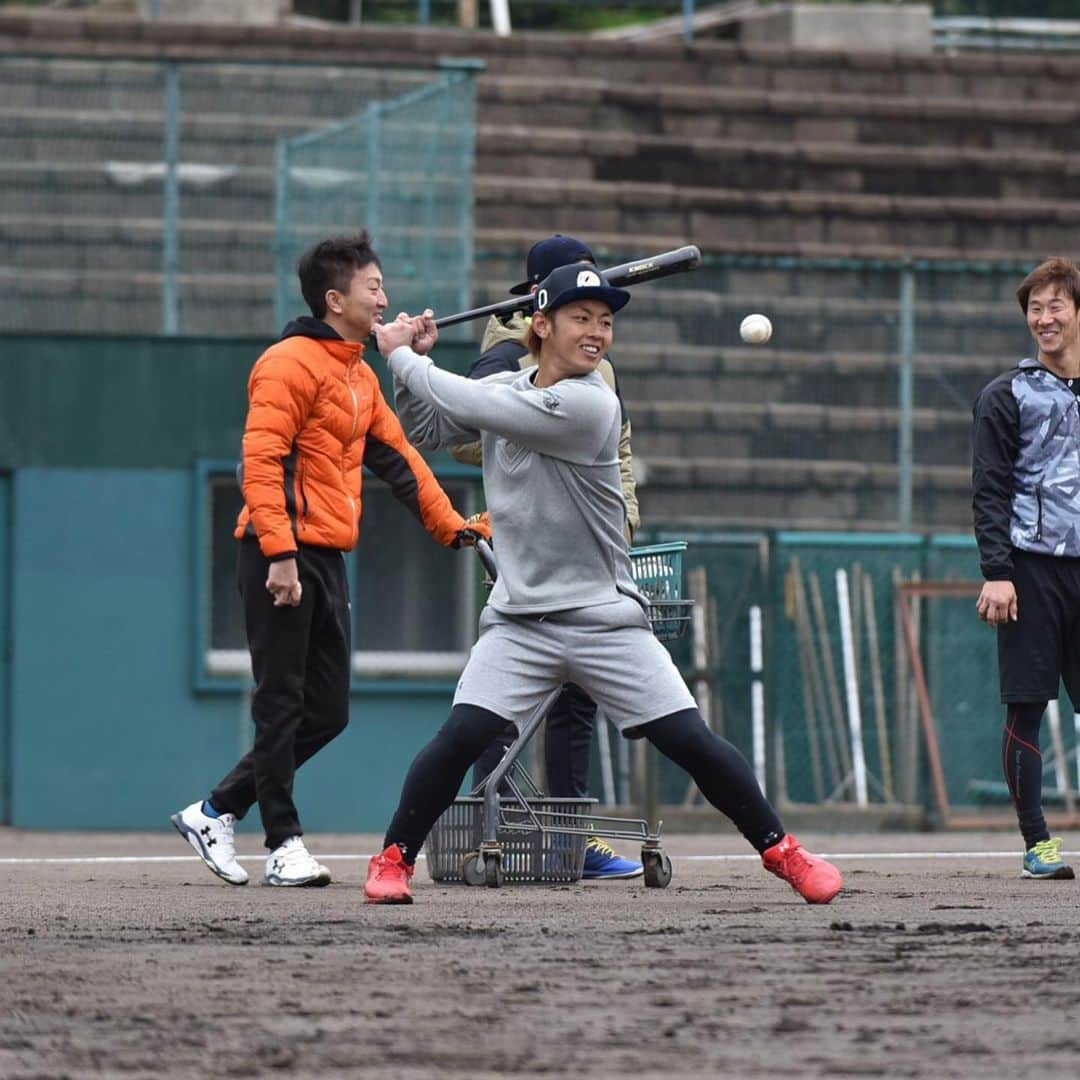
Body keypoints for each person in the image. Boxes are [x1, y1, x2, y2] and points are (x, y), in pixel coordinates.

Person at [361, 260, 844, 906]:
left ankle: (783, 851)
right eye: (581, 318)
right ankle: (393, 858)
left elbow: (477, 401)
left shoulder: (593, 403)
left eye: (606, 321)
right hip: (521, 620)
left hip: (602, 617)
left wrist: (401, 358)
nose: (596, 332)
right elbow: (428, 428)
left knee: (690, 740)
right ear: (541, 325)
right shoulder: (514, 387)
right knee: (460, 737)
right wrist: (414, 370)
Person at [171, 231, 487, 888]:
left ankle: (216, 810)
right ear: (335, 298)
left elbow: (402, 464)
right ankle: (283, 844)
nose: (385, 298)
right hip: (275, 551)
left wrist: (452, 527)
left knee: (328, 712)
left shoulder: (359, 376)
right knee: (280, 701)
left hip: (325, 557)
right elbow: (260, 464)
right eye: (374, 288)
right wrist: (279, 556)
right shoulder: (286, 363)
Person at [452, 234, 643, 880]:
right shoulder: (505, 353)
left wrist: (626, 521)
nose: (592, 315)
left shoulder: (595, 355)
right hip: (529, 549)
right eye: (576, 289)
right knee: (500, 697)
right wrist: (529, 440)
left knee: (577, 699)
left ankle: (569, 837)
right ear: (542, 304)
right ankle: (497, 827)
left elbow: (617, 448)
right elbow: (460, 437)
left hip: (591, 554)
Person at [972, 255, 1080, 881]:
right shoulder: (1006, 395)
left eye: (1055, 306)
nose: (1043, 318)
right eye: (1034, 309)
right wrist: (997, 570)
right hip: (1030, 573)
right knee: (1026, 707)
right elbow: (990, 489)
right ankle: (1038, 844)